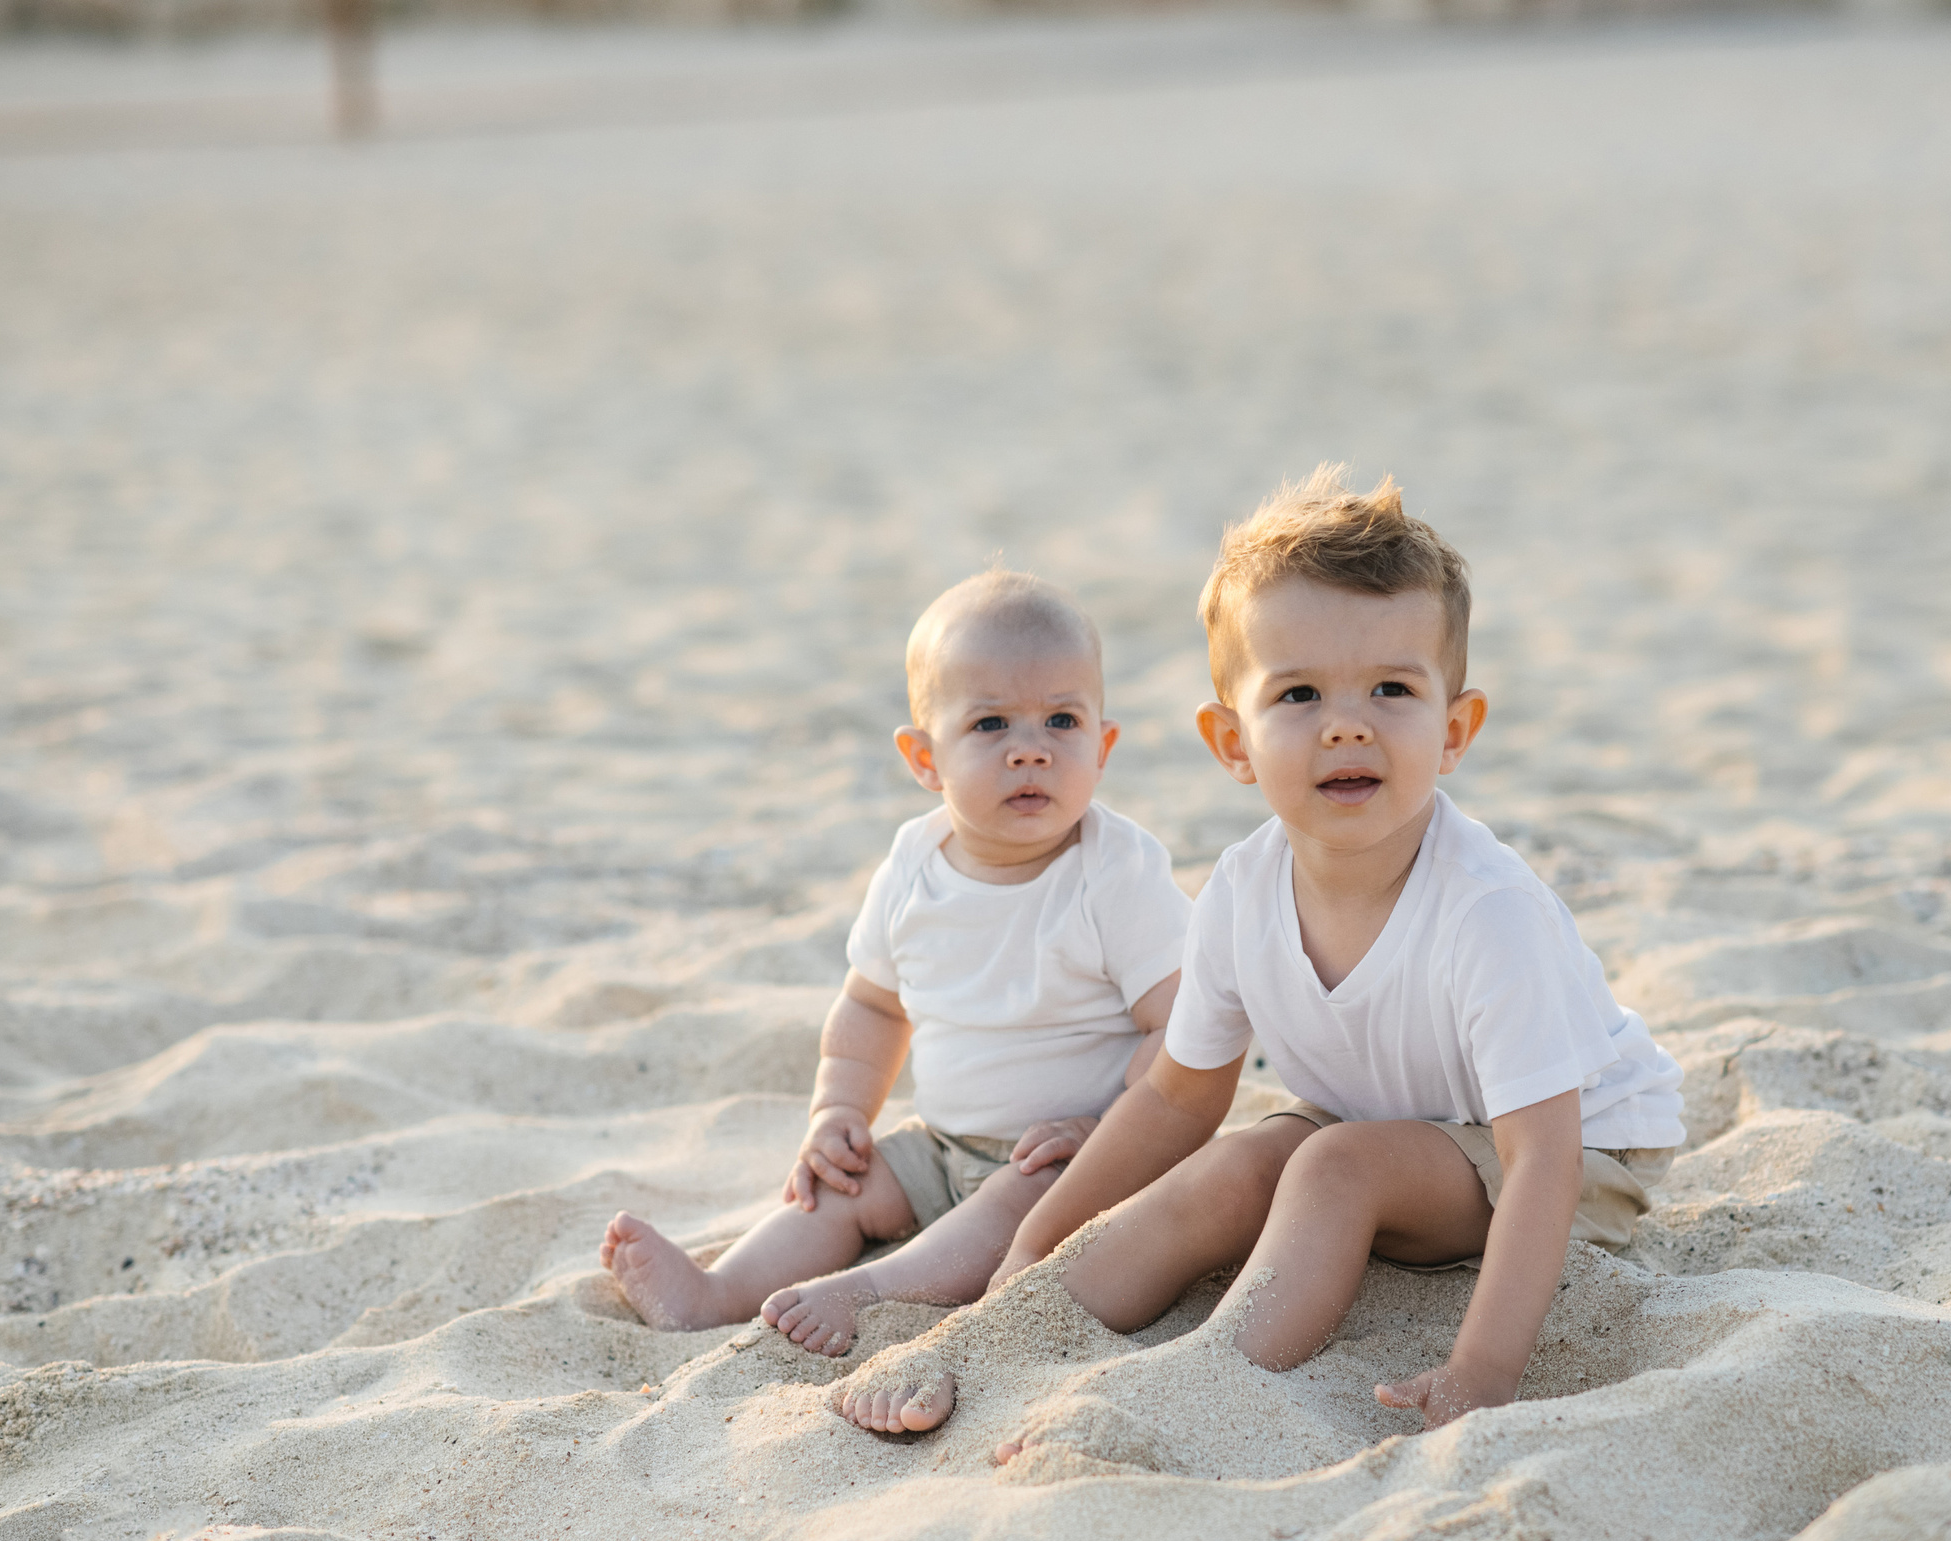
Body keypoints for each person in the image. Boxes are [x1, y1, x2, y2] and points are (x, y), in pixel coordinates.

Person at [839, 467, 1682, 1441]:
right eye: (1298, 693)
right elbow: (1171, 1100)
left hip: (1578, 1157)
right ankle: (1007, 1334)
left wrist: (1482, 1369)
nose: (1346, 722)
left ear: (1453, 730)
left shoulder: (1485, 912)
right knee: (1248, 1160)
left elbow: (1541, 1155)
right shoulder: (1242, 890)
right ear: (1232, 742)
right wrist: (1029, 1250)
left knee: (1333, 1166)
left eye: (1391, 689)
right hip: (1386, 1127)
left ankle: (1205, 1384)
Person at [599, 570, 1190, 1394]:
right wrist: (839, 1111)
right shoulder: (915, 866)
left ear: (1104, 744)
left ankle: (870, 1289)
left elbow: (1184, 1026)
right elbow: (873, 1005)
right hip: (943, 1143)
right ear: (924, 757)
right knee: (838, 1190)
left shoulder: (1116, 873)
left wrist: (1110, 1127)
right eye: (990, 723)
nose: (1032, 747)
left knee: (1012, 1208)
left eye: (1063, 719)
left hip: (1069, 1155)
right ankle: (716, 1291)